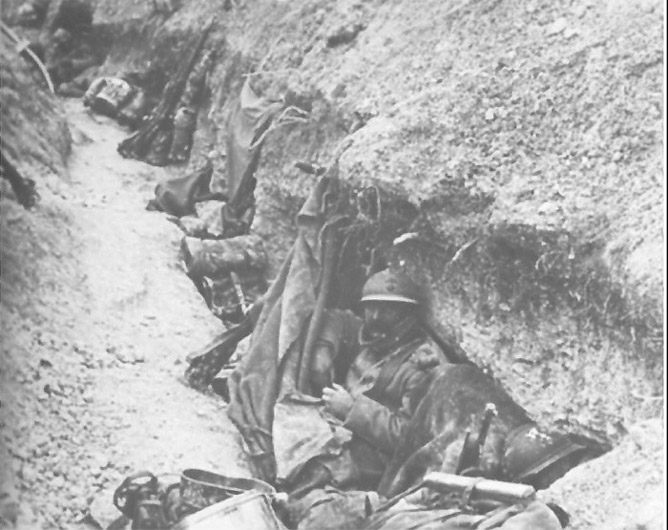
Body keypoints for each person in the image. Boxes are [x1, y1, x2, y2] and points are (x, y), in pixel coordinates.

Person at [284, 269, 443, 497]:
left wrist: (352, 409)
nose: (376, 316)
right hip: (343, 432)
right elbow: (334, 318)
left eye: (387, 309)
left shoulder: (419, 367)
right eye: (371, 307)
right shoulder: (374, 339)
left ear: (407, 313)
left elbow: (409, 438)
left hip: (377, 457)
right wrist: (323, 350)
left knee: (316, 474)